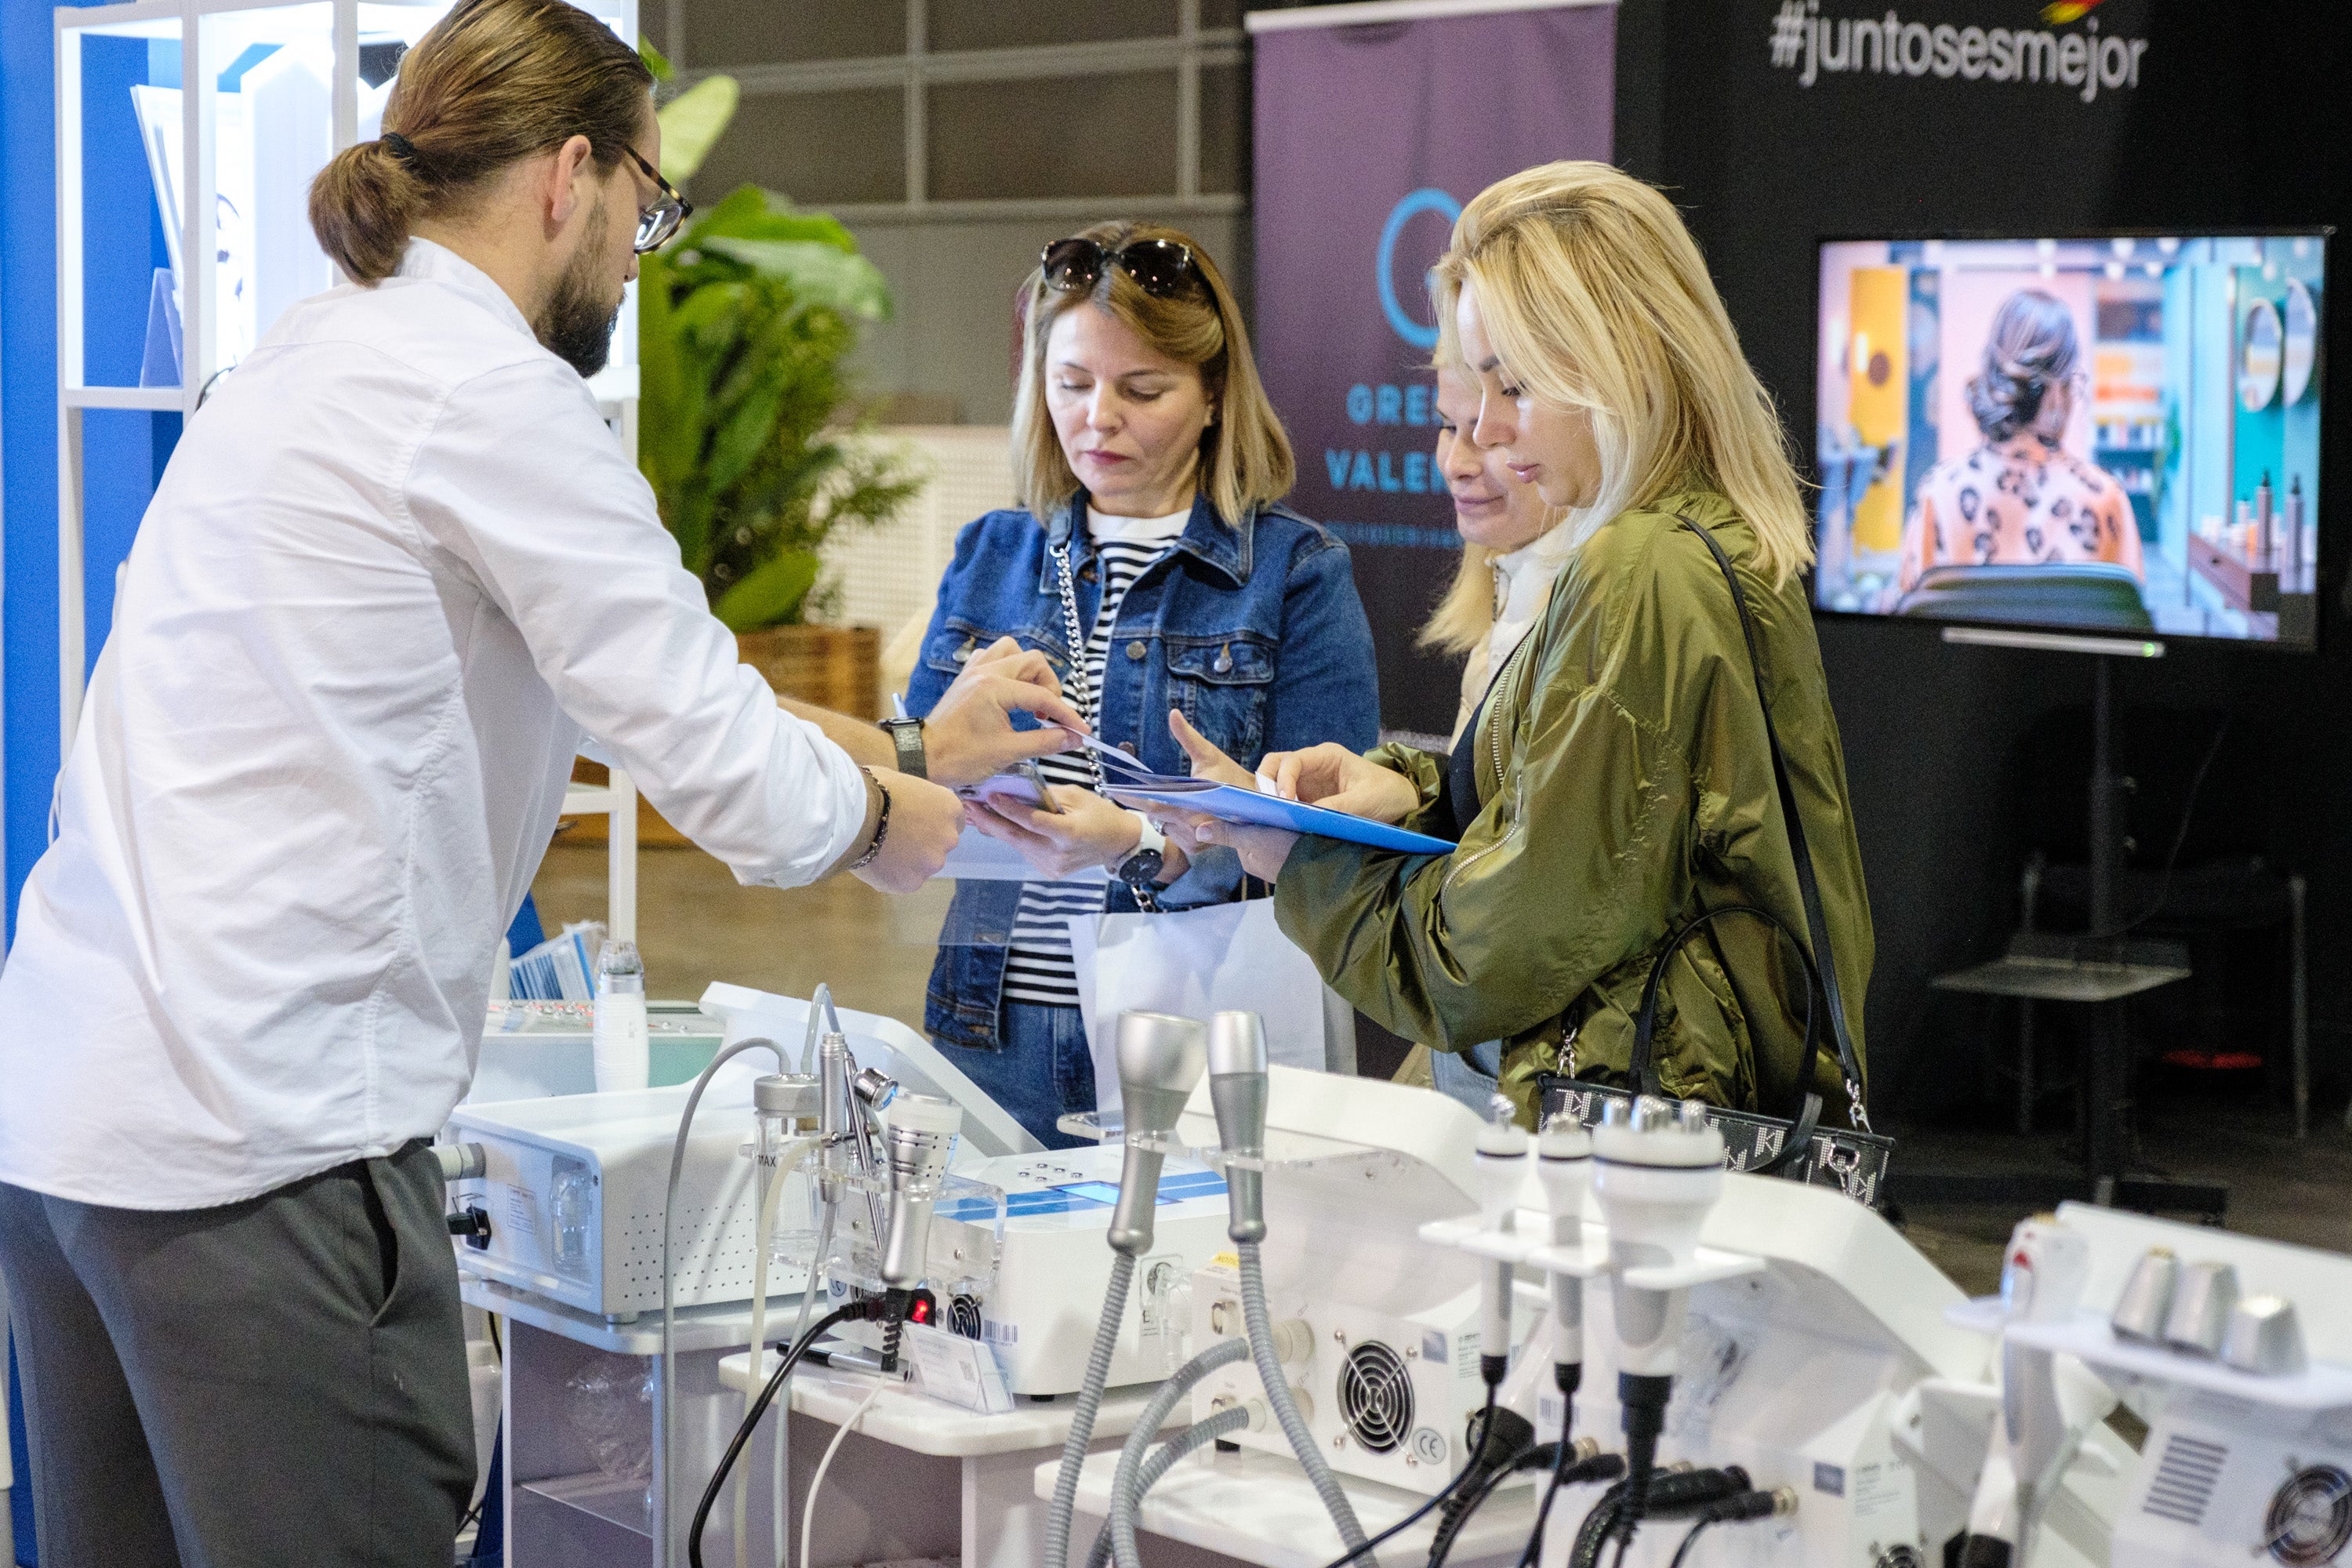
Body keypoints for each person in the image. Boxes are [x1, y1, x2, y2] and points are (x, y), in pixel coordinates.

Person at [0, 4, 1079, 1563]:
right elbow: (737, 780)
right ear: (573, 173)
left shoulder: (305, 359)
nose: (646, 251)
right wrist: (909, 824)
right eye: (652, 204)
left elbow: (615, 690)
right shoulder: (490, 394)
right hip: (260, 1155)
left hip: (70, 1127)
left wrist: (909, 748)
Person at [1166, 162, 1874, 1128]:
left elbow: (1489, 957)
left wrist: (1299, 859)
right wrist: (1421, 795)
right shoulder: (1700, 540)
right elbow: (1606, 848)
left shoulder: (1639, 568)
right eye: (1475, 394)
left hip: (1627, 1145)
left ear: (1622, 364)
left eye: (1519, 386)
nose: (1487, 435)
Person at [906, 221, 1380, 1148]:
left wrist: (1138, 836)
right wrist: (944, 755)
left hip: (1197, 1030)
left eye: (1142, 389)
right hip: (990, 1027)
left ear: (1213, 396)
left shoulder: (1294, 572)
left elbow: (1335, 848)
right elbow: (909, 773)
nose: (1098, 418)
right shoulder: (993, 555)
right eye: (1071, 385)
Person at [1413, 361, 1567, 1111]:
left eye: (1492, 430)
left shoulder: (1595, 624)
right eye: (1449, 424)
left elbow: (1523, 910)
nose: (1458, 459)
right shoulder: (1501, 624)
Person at [1891, 288, 2143, 600]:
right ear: (2058, 390)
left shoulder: (1939, 493)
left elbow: (1904, 624)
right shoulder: (2105, 499)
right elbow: (2132, 629)